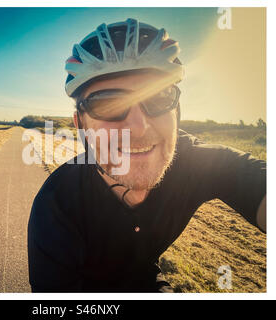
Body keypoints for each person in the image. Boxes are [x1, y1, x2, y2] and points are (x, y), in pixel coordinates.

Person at [27, 18, 266, 292]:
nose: (138, 127)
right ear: (80, 125)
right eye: (108, 103)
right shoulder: (55, 206)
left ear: (177, 113)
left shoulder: (197, 163)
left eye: (159, 97)